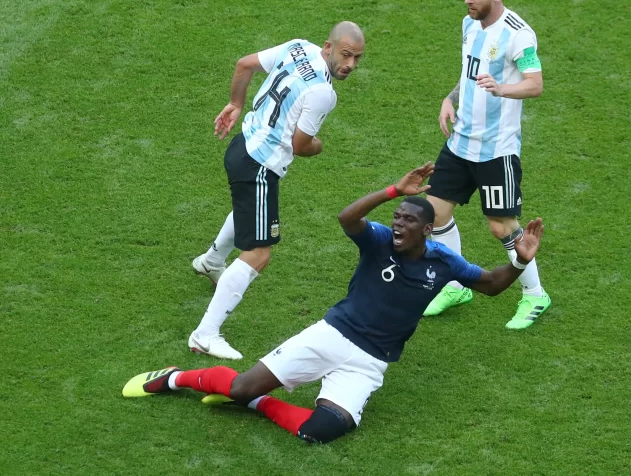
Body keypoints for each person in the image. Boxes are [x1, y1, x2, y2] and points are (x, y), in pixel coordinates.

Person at [123, 163, 546, 444]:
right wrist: (392, 191)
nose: (398, 223)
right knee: (238, 386)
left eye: (408, 220)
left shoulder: (444, 261)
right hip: (332, 335)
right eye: (397, 216)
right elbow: (348, 218)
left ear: (427, 230)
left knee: (321, 431)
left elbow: (491, 285)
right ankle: (176, 378)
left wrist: (519, 261)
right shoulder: (379, 241)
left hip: (371, 361)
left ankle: (259, 403)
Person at [188, 22, 365, 359]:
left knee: (249, 211)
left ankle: (211, 261)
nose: (351, 64)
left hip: (243, 144)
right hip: (260, 165)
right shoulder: (323, 93)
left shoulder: (297, 46)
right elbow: (301, 145)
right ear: (328, 47)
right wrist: (319, 146)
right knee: (259, 254)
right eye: (346, 55)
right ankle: (205, 334)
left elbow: (244, 64)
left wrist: (235, 103)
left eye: (357, 58)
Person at [422, 0, 550, 329]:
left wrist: (502, 88)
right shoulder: (469, 24)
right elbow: (468, 73)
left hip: (496, 149)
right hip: (460, 142)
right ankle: (455, 285)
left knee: (502, 226)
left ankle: (535, 295)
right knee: (435, 213)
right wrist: (450, 98)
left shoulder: (518, 35)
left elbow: (535, 84)